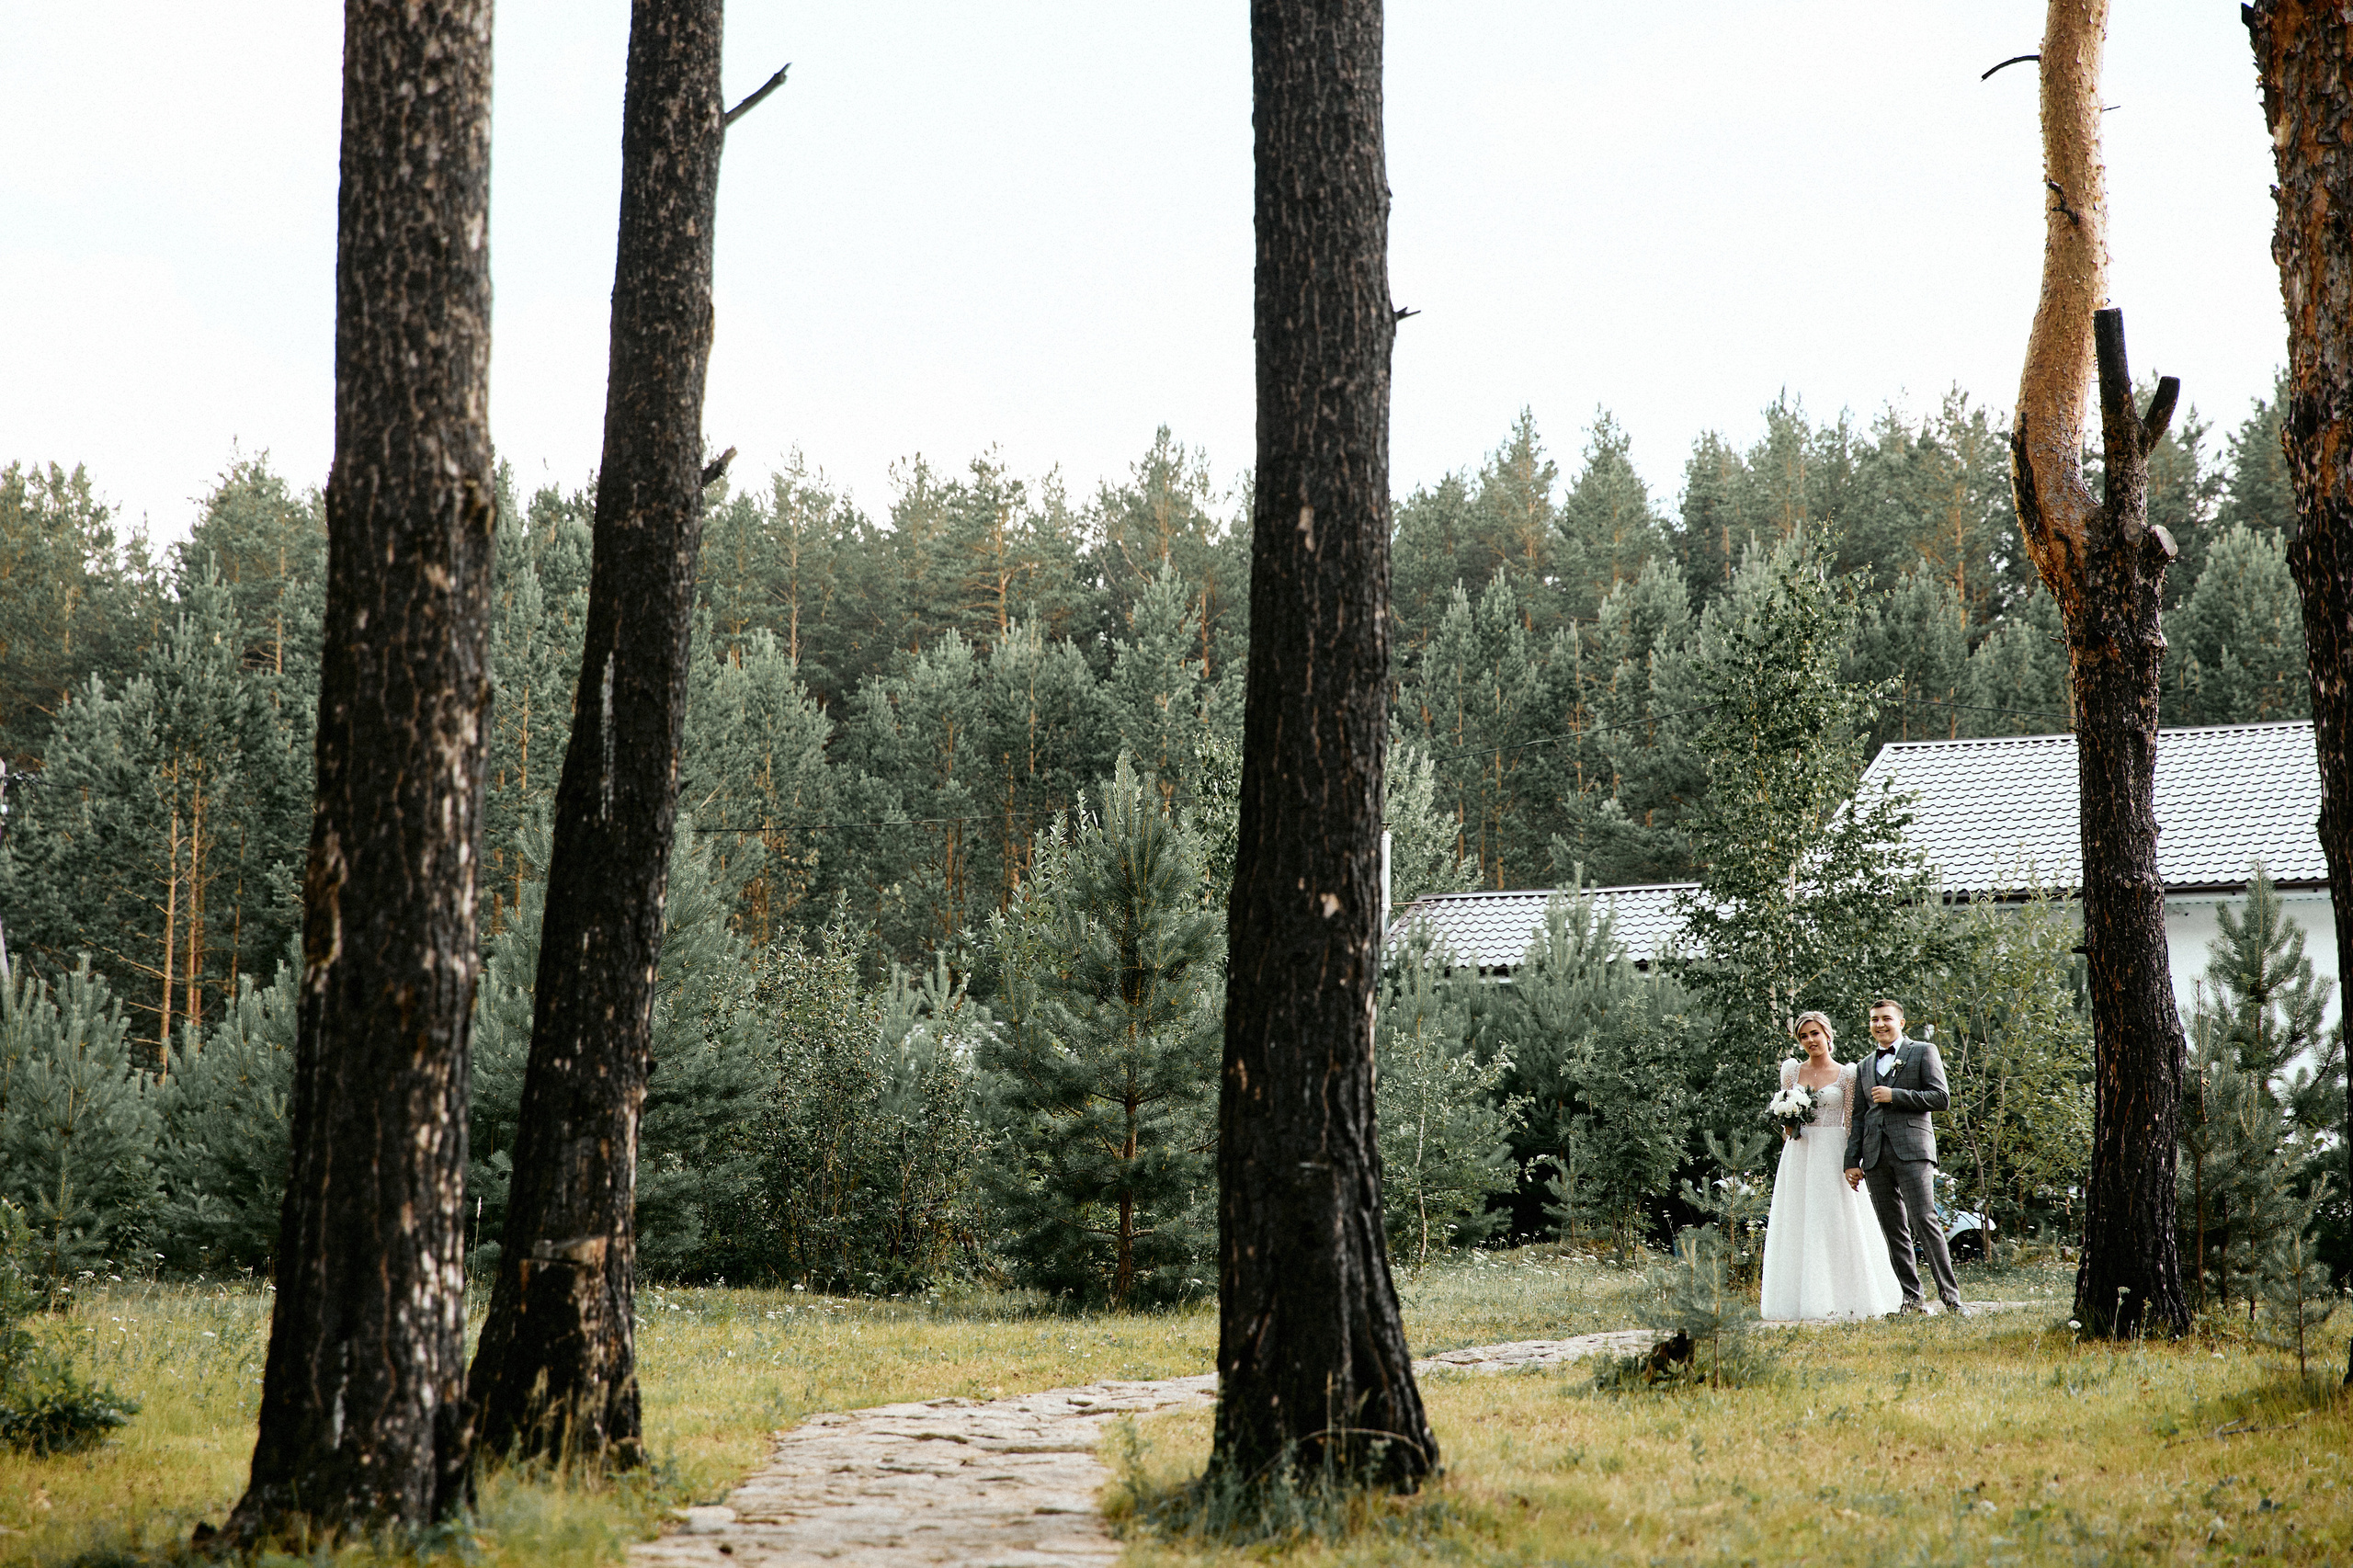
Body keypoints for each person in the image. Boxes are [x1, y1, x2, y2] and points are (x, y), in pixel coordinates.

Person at [1759, 1011, 1903, 1320]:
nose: (1810, 1041)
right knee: (1800, 1220)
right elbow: (1785, 1121)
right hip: (1800, 1152)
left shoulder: (1847, 1074)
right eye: (1804, 1037)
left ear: (1827, 1035)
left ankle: (1848, 1296)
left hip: (1834, 1150)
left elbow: (1852, 1120)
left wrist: (1853, 1161)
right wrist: (1788, 1119)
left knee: (1836, 1220)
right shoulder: (1791, 1071)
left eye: (1815, 1034)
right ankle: (1800, 1300)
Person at [1843, 997, 1965, 1316]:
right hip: (1875, 1156)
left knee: (1925, 1220)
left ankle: (1952, 1300)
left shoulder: (1923, 1051)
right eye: (1873, 1020)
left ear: (1901, 1023)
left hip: (1912, 1150)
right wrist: (1851, 1161)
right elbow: (1858, 1117)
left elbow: (1941, 1097)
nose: (1879, 1025)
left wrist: (1895, 1095)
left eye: (1885, 1018)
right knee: (1892, 1228)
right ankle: (1912, 1300)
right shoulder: (1864, 1066)